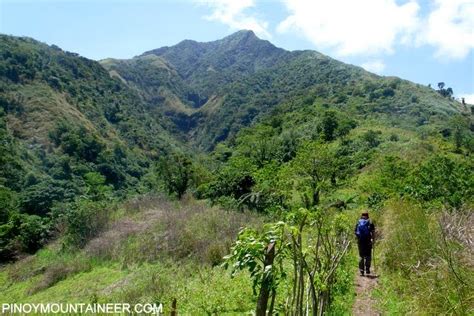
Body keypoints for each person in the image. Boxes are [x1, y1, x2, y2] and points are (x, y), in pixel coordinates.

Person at [355, 211, 375, 276]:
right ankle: (367, 269)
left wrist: (358, 238)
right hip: (368, 241)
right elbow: (373, 232)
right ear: (367, 216)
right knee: (368, 256)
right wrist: (373, 240)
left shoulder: (358, 222)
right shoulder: (370, 222)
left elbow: (355, 232)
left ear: (362, 215)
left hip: (360, 241)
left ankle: (361, 270)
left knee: (361, 256)